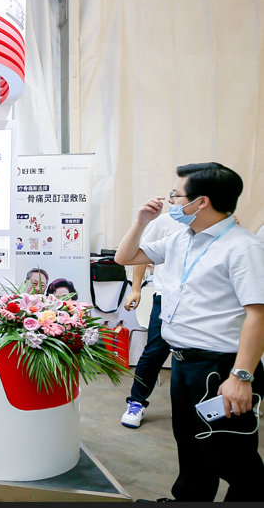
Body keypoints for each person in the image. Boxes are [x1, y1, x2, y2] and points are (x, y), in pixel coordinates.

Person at [114, 162, 264, 501]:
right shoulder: (182, 238)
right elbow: (126, 257)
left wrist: (241, 376)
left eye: (175, 195)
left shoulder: (243, 247)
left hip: (220, 367)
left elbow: (258, 315)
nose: (170, 201)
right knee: (191, 445)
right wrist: (141, 221)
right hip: (184, 363)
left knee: (232, 455)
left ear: (201, 202)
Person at [119, 211, 186, 428]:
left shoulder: (217, 224)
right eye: (174, 196)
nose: (175, 200)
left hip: (200, 300)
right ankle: (136, 402)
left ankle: (189, 406)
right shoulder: (165, 221)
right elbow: (141, 254)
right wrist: (136, 289)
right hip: (166, 297)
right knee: (155, 351)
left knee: (193, 355)